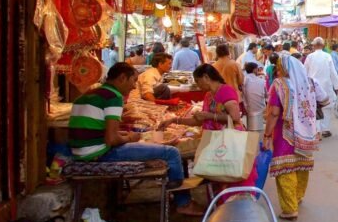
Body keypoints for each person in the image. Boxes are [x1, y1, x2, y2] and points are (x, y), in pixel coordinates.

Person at [69, 63, 189, 210]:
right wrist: (130, 138)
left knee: (149, 148)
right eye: (133, 81)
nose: (133, 87)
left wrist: (122, 134)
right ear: (122, 78)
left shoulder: (86, 95)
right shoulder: (113, 96)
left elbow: (98, 130)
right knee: (171, 152)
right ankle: (183, 203)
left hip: (79, 151)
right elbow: (111, 140)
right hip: (98, 154)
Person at [158, 64, 255, 205]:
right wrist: (174, 120)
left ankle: (234, 210)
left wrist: (210, 115)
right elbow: (198, 121)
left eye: (198, 81)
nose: (198, 85)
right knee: (219, 178)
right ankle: (220, 210)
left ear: (206, 77)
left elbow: (234, 117)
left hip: (229, 141)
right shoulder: (209, 96)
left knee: (231, 176)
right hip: (216, 143)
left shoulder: (225, 91)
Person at [263, 54, 320, 221]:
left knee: (285, 167)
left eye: (279, 67)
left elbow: (274, 113)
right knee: (301, 166)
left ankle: (290, 208)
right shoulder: (309, 82)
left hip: (285, 132)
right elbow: (324, 98)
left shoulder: (279, 85)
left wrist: (267, 135)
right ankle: (297, 197)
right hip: (307, 133)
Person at [304, 37, 338, 138]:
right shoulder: (327, 56)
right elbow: (333, 72)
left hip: (313, 87)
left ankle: (317, 130)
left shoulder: (310, 57)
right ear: (323, 45)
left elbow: (304, 72)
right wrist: (336, 86)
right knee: (327, 107)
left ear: (314, 46)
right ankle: (325, 129)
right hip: (326, 86)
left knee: (314, 107)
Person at [243, 62, 268, 132]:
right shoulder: (262, 81)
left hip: (248, 110)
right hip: (261, 111)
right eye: (257, 69)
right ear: (254, 70)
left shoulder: (244, 81)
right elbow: (267, 95)